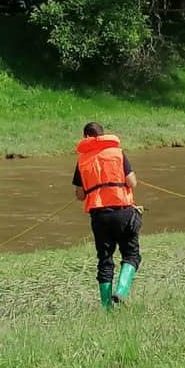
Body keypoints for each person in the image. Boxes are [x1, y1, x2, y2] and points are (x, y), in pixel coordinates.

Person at [73, 122, 142, 309]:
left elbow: (80, 195)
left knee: (105, 260)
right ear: (103, 135)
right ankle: (121, 291)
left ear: (86, 137)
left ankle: (107, 308)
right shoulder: (117, 153)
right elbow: (132, 182)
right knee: (131, 254)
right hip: (124, 212)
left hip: (100, 216)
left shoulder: (83, 160)